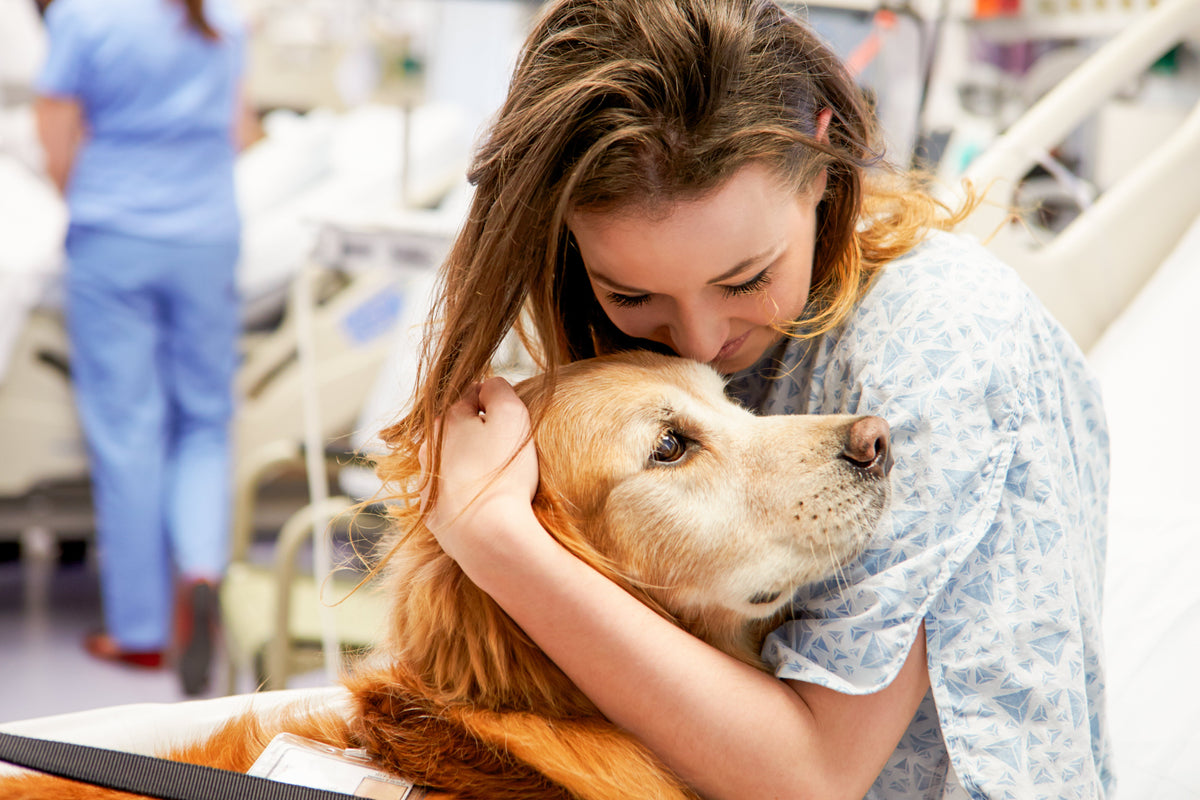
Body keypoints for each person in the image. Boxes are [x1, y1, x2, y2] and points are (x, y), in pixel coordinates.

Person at [388, 0, 1112, 797]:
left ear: (825, 163)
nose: (696, 342)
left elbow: (814, 780)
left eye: (746, 280)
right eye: (631, 294)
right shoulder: (606, 343)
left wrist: (496, 545)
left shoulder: (939, 344)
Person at [34, 0, 248, 696]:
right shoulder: (222, 14)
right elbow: (239, 131)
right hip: (209, 238)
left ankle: (140, 634)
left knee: (129, 430)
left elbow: (55, 134)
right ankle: (203, 573)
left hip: (114, 235)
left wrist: (88, 198)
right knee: (204, 421)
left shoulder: (84, 15)